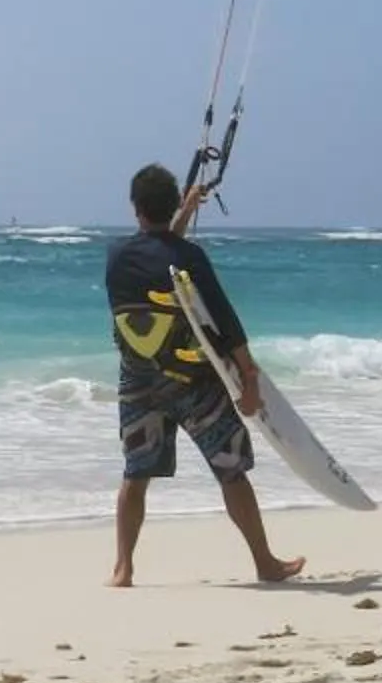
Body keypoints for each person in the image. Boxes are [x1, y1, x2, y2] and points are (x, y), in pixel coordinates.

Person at [104, 163, 304, 588]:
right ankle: (265, 563)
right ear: (172, 204)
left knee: (135, 474)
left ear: (135, 208)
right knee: (230, 470)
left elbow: (158, 254)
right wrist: (249, 379)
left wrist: (184, 211)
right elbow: (225, 320)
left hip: (138, 383)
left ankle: (123, 569)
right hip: (193, 383)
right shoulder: (189, 258)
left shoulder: (116, 257)